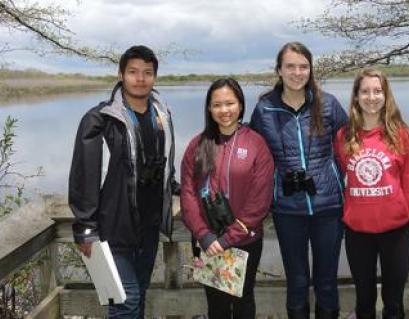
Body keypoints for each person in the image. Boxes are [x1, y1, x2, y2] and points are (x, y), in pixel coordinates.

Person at [69, 45, 178, 318]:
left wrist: (176, 188)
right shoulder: (100, 119)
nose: (140, 78)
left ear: (155, 76)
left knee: (139, 294)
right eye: (133, 72)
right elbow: (84, 176)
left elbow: (165, 163)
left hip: (149, 225)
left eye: (147, 72)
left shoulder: (162, 115)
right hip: (113, 227)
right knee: (126, 301)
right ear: (121, 74)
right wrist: (85, 226)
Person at [250, 42, 347, 319]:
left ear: (310, 70)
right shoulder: (265, 109)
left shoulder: (327, 104)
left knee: (327, 282)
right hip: (287, 209)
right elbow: (253, 158)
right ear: (279, 70)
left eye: (303, 66)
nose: (297, 72)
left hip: (328, 207)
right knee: (297, 282)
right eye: (290, 66)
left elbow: (349, 147)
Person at [334, 68, 409, 319]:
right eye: (365, 91)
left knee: (393, 303)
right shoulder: (344, 136)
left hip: (396, 234)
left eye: (377, 91)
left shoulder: (401, 135)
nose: (371, 97)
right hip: (358, 234)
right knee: (364, 302)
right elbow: (335, 178)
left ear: (386, 95)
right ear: (356, 96)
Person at [181, 78, 274, 319]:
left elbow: (260, 199)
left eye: (230, 103)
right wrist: (204, 234)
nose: (224, 110)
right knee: (216, 306)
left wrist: (229, 238)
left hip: (245, 240)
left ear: (241, 105)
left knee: (244, 300)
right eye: (217, 105)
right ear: (209, 109)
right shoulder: (197, 145)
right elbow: (189, 194)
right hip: (207, 240)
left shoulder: (256, 143)